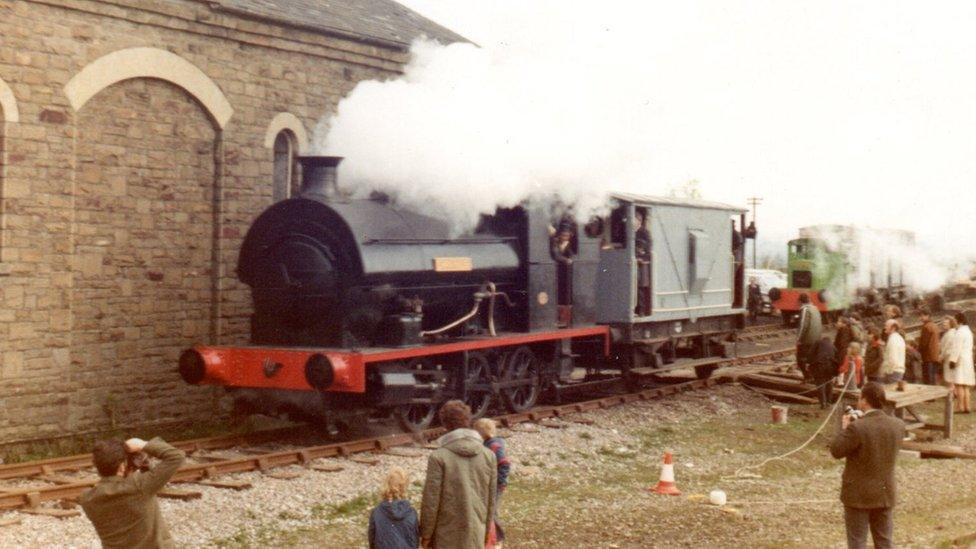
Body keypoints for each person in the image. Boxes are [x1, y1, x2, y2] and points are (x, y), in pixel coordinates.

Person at [830, 382, 906, 549]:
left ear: (864, 401)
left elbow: (836, 450)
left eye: (859, 398)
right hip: (885, 493)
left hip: (858, 495)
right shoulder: (898, 425)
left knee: (857, 542)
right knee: (884, 542)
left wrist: (845, 427)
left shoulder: (857, 427)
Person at [79, 437, 186, 549]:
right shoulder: (139, 486)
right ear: (122, 466)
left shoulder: (87, 498)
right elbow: (176, 456)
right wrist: (143, 445)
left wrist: (142, 467)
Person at [420, 400, 496, 549]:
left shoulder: (438, 457)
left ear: (445, 424)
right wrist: (485, 530)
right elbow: (491, 499)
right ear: (468, 420)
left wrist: (426, 534)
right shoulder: (489, 456)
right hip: (476, 532)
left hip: (445, 534)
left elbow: (431, 500)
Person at [473, 418, 511, 549]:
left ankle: (498, 538)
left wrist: (500, 482)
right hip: (490, 484)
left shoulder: (494, 446)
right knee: (489, 510)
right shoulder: (489, 444)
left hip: (495, 485)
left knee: (492, 511)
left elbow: (504, 464)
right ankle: (490, 536)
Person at [368, 467, 419, 549]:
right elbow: (414, 540)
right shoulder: (411, 513)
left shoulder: (377, 512)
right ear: (405, 487)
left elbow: (372, 539)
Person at [946, 312, 975, 413]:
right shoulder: (969, 332)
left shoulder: (959, 332)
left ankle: (960, 407)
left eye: (955, 319)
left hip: (960, 360)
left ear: (959, 321)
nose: (954, 321)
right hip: (968, 360)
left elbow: (956, 348)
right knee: (966, 385)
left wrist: (952, 360)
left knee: (959, 384)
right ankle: (967, 407)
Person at [796, 293, 823, 381]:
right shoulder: (815, 308)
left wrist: (798, 339)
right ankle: (812, 376)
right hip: (817, 339)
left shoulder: (805, 310)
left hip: (807, 340)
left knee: (801, 359)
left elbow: (803, 325)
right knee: (812, 359)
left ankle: (808, 377)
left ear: (800, 301)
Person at [634, 210, 652, 316]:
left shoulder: (644, 232)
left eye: (634, 220)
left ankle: (641, 310)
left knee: (641, 287)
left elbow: (648, 247)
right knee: (636, 287)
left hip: (642, 264)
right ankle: (637, 309)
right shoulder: (632, 232)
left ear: (638, 221)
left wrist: (641, 257)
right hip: (635, 263)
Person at [812, 336, 837, 408]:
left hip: (820, 366)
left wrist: (810, 364)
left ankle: (823, 403)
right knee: (829, 384)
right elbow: (836, 357)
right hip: (830, 367)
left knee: (820, 384)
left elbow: (811, 355)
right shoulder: (833, 346)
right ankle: (829, 402)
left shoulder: (817, 343)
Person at [918, 309, 941, 385]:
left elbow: (924, 343)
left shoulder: (926, 327)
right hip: (934, 356)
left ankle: (931, 395)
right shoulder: (934, 326)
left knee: (928, 379)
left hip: (927, 356)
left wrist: (919, 352)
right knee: (933, 377)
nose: (920, 318)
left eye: (922, 316)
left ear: (927, 316)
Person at [880, 319, 905, 384]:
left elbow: (892, 358)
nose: (884, 327)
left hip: (893, 373)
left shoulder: (893, 340)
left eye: (886, 326)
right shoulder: (899, 338)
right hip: (898, 371)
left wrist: (887, 372)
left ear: (893, 328)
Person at [941, 316, 959, 398]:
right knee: (951, 376)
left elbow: (946, 348)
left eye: (946, 323)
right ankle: (954, 392)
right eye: (943, 323)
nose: (943, 325)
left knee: (950, 377)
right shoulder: (950, 333)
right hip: (950, 357)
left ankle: (952, 393)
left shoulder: (950, 334)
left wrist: (940, 356)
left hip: (949, 357)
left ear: (951, 324)